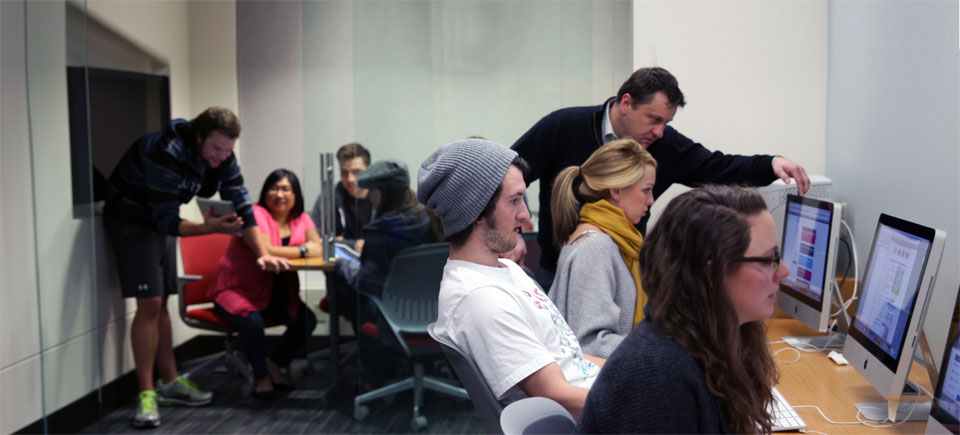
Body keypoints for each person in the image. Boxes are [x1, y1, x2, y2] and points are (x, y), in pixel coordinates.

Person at [511, 66, 810, 290]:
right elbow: (505, 174)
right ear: (626, 103)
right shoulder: (563, 127)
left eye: (666, 123)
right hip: (559, 271)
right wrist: (512, 234)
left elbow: (718, 167)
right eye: (653, 119)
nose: (659, 132)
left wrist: (770, 165)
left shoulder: (662, 144)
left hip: (627, 274)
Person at [102, 107, 288, 428]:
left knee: (163, 303)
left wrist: (261, 253)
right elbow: (167, 220)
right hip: (131, 220)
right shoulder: (164, 152)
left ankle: (170, 381)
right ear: (199, 137)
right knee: (150, 303)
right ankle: (146, 395)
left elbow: (241, 201)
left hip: (158, 223)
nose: (221, 156)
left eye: (228, 150)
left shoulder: (223, 154)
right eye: (216, 148)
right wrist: (210, 228)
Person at [577, 185, 787, 434]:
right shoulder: (658, 377)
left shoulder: (711, 341)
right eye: (767, 260)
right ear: (712, 273)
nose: (783, 272)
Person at [421, 138, 604, 420]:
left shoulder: (505, 269)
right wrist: (637, 400)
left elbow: (570, 358)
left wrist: (632, 368)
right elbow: (555, 395)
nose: (525, 214)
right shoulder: (480, 298)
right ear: (476, 211)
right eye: (514, 200)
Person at [207, 169, 320, 400]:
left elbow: (319, 246)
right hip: (238, 290)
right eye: (274, 188)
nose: (279, 194)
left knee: (306, 320)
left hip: (276, 294)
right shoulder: (255, 215)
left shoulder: (301, 218)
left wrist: (298, 249)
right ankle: (261, 377)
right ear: (265, 192)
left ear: (295, 194)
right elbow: (266, 249)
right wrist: (302, 249)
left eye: (286, 189)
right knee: (252, 321)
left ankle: (275, 364)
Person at [548, 139, 656, 358]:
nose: (651, 200)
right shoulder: (596, 247)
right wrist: (658, 349)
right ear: (616, 190)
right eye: (646, 190)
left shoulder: (614, 240)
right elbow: (591, 343)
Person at [311, 142, 374, 253]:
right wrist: (353, 244)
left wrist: (339, 241)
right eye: (344, 173)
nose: (350, 179)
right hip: (339, 264)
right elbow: (315, 240)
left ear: (369, 171)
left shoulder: (382, 197)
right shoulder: (328, 197)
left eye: (356, 172)